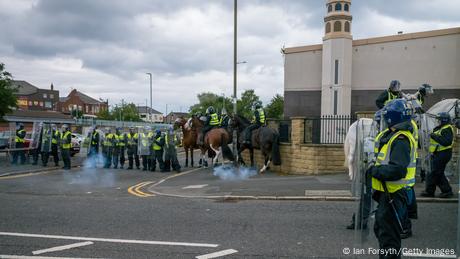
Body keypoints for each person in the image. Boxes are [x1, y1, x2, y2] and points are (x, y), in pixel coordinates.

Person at [369, 99, 416, 258]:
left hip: (394, 195)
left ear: (391, 118)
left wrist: (374, 170)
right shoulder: (393, 135)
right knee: (382, 230)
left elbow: (397, 170)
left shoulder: (400, 139)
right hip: (387, 193)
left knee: (389, 237)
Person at [421, 112, 454, 198]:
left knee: (437, 172)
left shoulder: (447, 128)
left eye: (439, 120)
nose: (437, 121)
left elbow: (446, 142)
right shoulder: (439, 128)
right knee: (432, 172)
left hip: (443, 153)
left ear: (444, 120)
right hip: (436, 153)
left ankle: (447, 191)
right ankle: (429, 191)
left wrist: (433, 136)